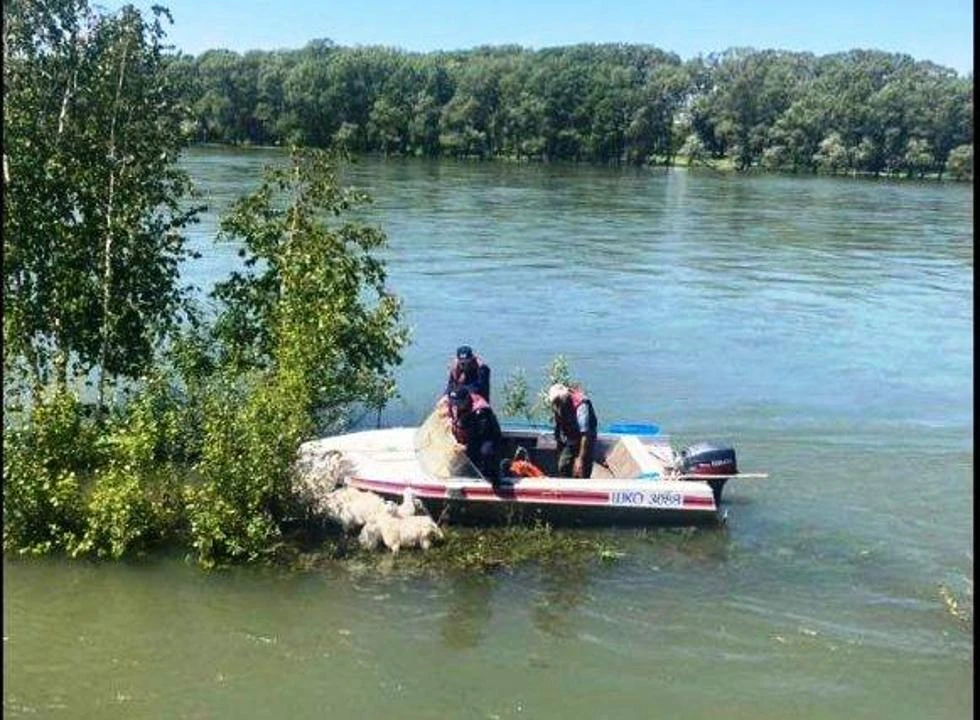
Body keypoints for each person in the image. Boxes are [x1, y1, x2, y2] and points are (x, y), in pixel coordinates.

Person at [447, 387, 502, 484]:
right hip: (469, 437)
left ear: (466, 400)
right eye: (454, 403)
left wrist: (466, 447)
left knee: (487, 451)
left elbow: (482, 436)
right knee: (452, 466)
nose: (456, 405)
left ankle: (494, 475)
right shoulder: (455, 406)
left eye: (459, 403)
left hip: (487, 437)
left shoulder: (481, 413)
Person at [548, 382, 598, 479]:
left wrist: (580, 459)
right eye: (555, 402)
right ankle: (566, 483)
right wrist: (559, 444)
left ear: (565, 397)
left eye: (558, 401)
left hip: (586, 437)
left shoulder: (581, 406)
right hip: (571, 435)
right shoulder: (558, 404)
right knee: (563, 465)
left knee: (582, 468)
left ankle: (582, 487)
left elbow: (585, 434)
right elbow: (558, 425)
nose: (556, 404)